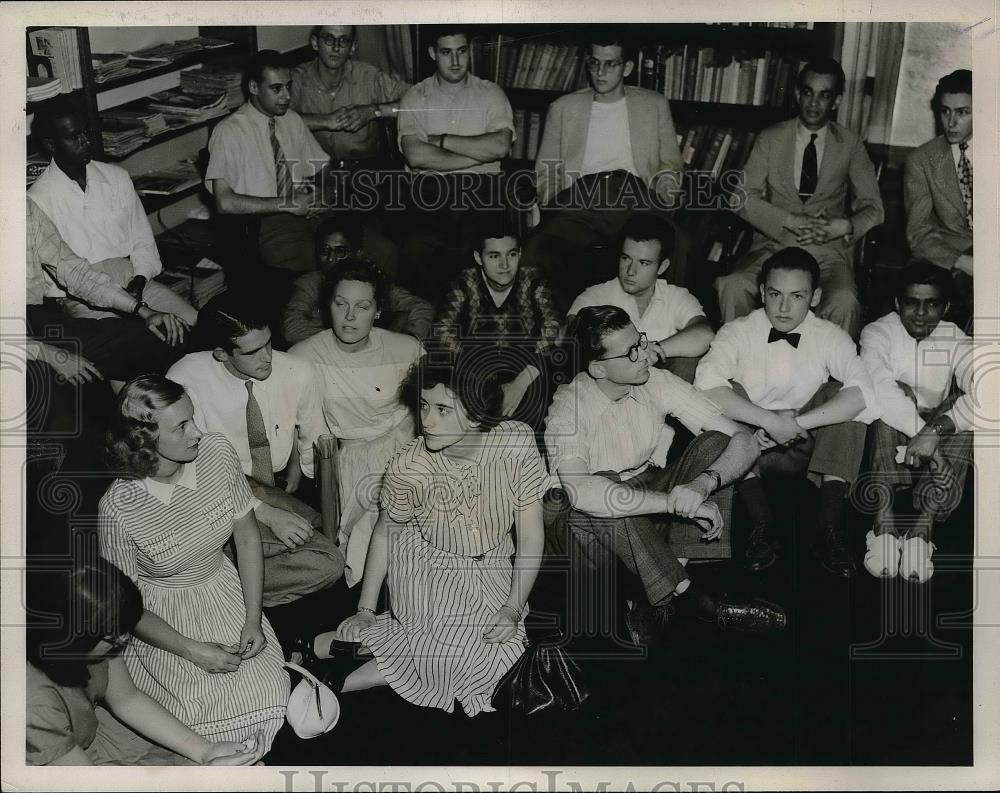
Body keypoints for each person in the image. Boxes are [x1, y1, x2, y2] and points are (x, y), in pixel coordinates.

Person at [545, 305, 786, 645]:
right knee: (606, 494)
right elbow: (582, 491)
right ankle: (697, 599)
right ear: (598, 368)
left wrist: (703, 484)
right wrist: (671, 504)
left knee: (715, 443)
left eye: (641, 341)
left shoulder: (655, 380)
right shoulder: (567, 408)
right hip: (584, 527)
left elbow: (742, 441)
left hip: (644, 488)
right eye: (631, 352)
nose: (645, 353)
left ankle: (658, 587)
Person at [333, 353, 545, 717]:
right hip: (428, 564)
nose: (427, 421)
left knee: (506, 652)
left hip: (492, 563)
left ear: (478, 414)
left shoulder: (517, 443)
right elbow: (386, 533)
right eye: (425, 406)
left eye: (443, 410)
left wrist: (512, 606)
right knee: (458, 660)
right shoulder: (408, 466)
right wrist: (366, 609)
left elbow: (530, 536)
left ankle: (333, 652)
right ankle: (343, 679)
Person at [99, 376, 289, 753]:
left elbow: (246, 537)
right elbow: (122, 608)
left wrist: (253, 617)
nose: (198, 432)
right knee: (199, 714)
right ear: (143, 439)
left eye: (193, 418)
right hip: (161, 619)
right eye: (182, 426)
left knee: (266, 691)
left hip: (224, 590)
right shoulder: (118, 508)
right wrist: (190, 649)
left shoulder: (217, 452)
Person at [695, 247, 876, 577]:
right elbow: (705, 385)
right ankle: (761, 522)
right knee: (724, 393)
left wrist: (795, 423)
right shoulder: (737, 331)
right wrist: (765, 420)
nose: (783, 306)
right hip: (751, 447)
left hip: (806, 445)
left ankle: (829, 528)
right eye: (775, 294)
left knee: (844, 394)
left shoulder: (829, 336)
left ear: (816, 297)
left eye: (797, 296)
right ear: (762, 291)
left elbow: (864, 393)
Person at [167, 293, 344, 607]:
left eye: (269, 344)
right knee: (317, 556)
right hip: (209, 491)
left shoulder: (298, 371)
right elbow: (197, 470)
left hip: (268, 487)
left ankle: (214, 584)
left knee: (328, 558)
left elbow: (317, 450)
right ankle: (208, 585)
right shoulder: (185, 377)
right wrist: (267, 514)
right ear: (221, 354)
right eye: (252, 352)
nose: (268, 358)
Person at [26, 559, 265, 766]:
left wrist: (206, 751)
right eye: (113, 635)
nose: (124, 639)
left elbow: (127, 699)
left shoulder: (99, 638)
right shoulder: (33, 704)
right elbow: (87, 783)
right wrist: (201, 774)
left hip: (88, 734)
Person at [716, 58, 884, 338]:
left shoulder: (850, 144)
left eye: (825, 95)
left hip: (827, 251)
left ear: (837, 100)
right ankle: (738, 364)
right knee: (733, 284)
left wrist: (842, 226)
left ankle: (832, 376)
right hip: (774, 245)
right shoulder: (771, 138)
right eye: (807, 92)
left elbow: (874, 208)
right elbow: (740, 197)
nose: (814, 103)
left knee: (844, 300)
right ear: (796, 94)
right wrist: (788, 220)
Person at [524, 35, 685, 311]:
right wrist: (551, 202)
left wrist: (666, 194)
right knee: (534, 252)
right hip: (581, 197)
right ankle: (563, 326)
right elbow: (545, 171)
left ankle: (663, 323)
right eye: (595, 63)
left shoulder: (653, 105)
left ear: (628, 68)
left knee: (681, 245)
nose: (600, 72)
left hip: (635, 196)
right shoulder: (564, 108)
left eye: (610, 64)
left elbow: (671, 164)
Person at [289, 256, 423, 588]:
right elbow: (302, 430)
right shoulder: (302, 356)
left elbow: (429, 411)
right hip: (353, 457)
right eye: (341, 304)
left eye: (362, 307)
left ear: (378, 311)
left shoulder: (406, 348)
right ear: (327, 305)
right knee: (379, 520)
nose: (350, 317)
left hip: (408, 447)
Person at [27, 98, 198, 327]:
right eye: (74, 136)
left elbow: (143, 241)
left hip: (131, 279)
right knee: (140, 342)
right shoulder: (37, 200)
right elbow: (54, 279)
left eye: (86, 132)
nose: (86, 142)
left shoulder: (117, 178)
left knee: (193, 322)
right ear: (50, 145)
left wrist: (139, 279)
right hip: (80, 296)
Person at [858, 262, 974, 583]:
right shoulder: (878, 332)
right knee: (889, 393)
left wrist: (935, 431)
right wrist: (933, 449)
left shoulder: (956, 337)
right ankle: (883, 523)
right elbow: (879, 387)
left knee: (961, 408)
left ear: (946, 306)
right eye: (912, 302)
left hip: (932, 439)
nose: (921, 314)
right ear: (897, 302)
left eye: (932, 304)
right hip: (893, 439)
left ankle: (923, 529)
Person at [396, 27, 515, 304]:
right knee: (415, 248)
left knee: (473, 247)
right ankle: (434, 320)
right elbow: (416, 156)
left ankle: (472, 317)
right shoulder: (415, 97)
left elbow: (500, 147)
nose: (456, 61)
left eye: (462, 51)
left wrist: (442, 140)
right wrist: (479, 154)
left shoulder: (490, 94)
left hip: (481, 191)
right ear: (432, 54)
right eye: (446, 53)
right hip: (430, 192)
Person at [205, 49, 331, 300]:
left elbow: (322, 166)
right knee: (327, 265)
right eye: (277, 89)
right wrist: (287, 205)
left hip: (307, 213)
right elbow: (224, 202)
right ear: (253, 87)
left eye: (288, 87)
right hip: (263, 224)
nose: (287, 96)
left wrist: (322, 192)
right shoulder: (228, 132)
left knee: (375, 247)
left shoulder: (291, 120)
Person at [26, 197, 187, 390]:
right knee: (57, 395)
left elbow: (75, 273)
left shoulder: (22, 205)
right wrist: (46, 353)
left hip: (34, 318)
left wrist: (142, 310)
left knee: (164, 340)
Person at [432, 224, 561, 431]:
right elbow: (441, 332)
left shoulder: (534, 279)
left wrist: (522, 381)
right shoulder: (464, 282)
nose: (504, 265)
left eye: (511, 254)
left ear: (520, 253)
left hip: (528, 368)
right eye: (494, 256)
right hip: (473, 371)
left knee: (538, 407)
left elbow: (554, 328)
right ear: (478, 257)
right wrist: (484, 380)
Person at [567, 213, 713, 383]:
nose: (630, 271)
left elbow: (705, 333)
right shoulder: (595, 295)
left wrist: (657, 348)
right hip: (610, 391)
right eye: (626, 258)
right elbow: (571, 336)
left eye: (644, 263)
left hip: (660, 394)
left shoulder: (676, 296)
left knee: (686, 361)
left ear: (662, 266)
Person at [282, 215, 433, 346]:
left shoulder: (371, 281)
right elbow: (292, 329)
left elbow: (421, 307)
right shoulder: (309, 284)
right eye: (324, 250)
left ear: (357, 254)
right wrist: (353, 342)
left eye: (340, 251)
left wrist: (406, 341)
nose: (330, 259)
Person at [903, 69, 973, 325]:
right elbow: (918, 233)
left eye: (962, 112)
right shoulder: (921, 161)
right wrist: (963, 262)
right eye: (945, 111)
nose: (951, 123)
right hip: (949, 255)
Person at [291, 25, 410, 162]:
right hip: (316, 172)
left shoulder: (369, 77)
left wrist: (374, 111)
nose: (336, 47)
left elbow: (419, 101)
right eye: (329, 39)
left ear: (352, 47)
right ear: (315, 43)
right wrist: (325, 121)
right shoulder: (296, 79)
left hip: (365, 170)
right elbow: (276, 121)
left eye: (343, 40)